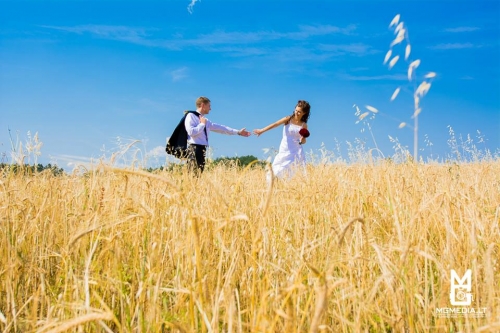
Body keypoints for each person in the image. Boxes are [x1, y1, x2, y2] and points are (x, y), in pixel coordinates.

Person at [185, 96, 251, 173]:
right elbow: (191, 132)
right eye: (209, 106)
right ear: (203, 105)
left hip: (202, 150)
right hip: (194, 149)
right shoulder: (191, 116)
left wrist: (238, 132)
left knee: (198, 175)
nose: (210, 108)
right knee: (192, 174)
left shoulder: (206, 120)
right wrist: (202, 124)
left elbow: (221, 128)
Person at [253, 100, 311, 179]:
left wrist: (302, 139)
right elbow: (275, 124)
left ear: (304, 113)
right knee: (277, 170)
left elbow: (303, 141)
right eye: (296, 110)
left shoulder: (304, 125)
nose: (296, 113)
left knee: (293, 173)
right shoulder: (288, 119)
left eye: (299, 112)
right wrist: (262, 130)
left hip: (296, 151)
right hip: (285, 148)